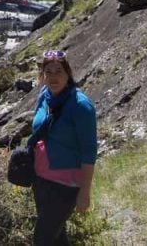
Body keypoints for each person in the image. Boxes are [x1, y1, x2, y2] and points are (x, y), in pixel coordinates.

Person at [31, 49, 97, 245]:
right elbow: (38, 130)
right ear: (42, 75)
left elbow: (89, 151)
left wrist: (84, 192)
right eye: (48, 72)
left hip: (67, 184)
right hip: (41, 179)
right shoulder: (44, 95)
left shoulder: (81, 106)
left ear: (68, 73)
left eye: (58, 71)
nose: (53, 77)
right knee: (57, 238)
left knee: (42, 238)